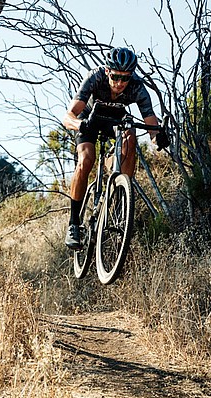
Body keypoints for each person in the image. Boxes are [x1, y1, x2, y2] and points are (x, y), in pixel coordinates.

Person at [62, 46, 166, 250]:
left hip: (114, 119)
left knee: (131, 137)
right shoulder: (95, 77)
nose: (120, 83)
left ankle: (121, 191)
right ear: (108, 71)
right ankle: (74, 224)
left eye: (125, 78)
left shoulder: (137, 86)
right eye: (116, 77)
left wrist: (158, 139)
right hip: (89, 118)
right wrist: (79, 125)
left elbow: (151, 125)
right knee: (86, 160)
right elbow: (68, 116)